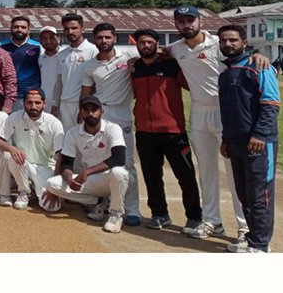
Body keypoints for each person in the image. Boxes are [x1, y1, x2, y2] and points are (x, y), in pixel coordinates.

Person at [165, 5, 269, 243]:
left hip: (226, 111)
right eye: (182, 21)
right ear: (176, 25)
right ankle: (213, 221)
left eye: (191, 20)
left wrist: (257, 54)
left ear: (200, 21)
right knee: (206, 170)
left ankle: (244, 226)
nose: (187, 25)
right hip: (199, 112)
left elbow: (241, 56)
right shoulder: (177, 48)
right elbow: (159, 50)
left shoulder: (217, 43)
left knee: (235, 172)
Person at [129, 29, 202, 231]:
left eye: (149, 42)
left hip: (173, 130)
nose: (145, 46)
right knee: (151, 176)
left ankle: (195, 216)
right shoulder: (135, 68)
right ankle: (160, 214)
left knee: (185, 176)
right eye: (142, 42)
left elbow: (193, 85)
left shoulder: (172, 65)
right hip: (144, 131)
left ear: (157, 44)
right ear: (137, 44)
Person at [218, 24, 280, 253]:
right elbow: (228, 111)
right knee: (244, 194)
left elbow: (271, 104)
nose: (228, 44)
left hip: (259, 143)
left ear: (244, 43)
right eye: (223, 40)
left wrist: (260, 135)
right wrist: (226, 139)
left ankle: (261, 246)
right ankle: (252, 239)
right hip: (235, 143)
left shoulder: (259, 67)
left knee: (259, 195)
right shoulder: (225, 74)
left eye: (233, 40)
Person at [80, 23, 141, 226]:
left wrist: (136, 64)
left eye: (107, 37)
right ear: (94, 40)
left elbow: (155, 50)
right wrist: (83, 116)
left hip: (122, 113)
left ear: (115, 38)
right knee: (100, 162)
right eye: (100, 37)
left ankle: (132, 209)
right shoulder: (89, 66)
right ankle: (105, 204)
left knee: (126, 163)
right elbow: (85, 94)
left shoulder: (128, 56)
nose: (104, 41)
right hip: (100, 114)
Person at [44, 95, 129, 233]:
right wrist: (69, 180)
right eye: (86, 110)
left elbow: (119, 159)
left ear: (101, 112)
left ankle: (115, 215)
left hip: (111, 179)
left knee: (119, 172)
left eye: (94, 110)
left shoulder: (113, 128)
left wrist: (87, 172)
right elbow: (66, 164)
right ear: (81, 113)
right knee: (51, 184)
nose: (90, 113)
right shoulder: (73, 133)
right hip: (92, 181)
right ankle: (97, 202)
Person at [0, 88, 64, 211]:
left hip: (46, 167)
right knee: (9, 155)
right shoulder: (15, 117)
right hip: (24, 163)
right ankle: (23, 192)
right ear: (23, 103)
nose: (33, 106)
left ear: (44, 104)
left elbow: (60, 155)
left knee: (52, 207)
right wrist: (12, 149)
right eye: (29, 102)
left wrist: (54, 185)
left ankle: (36, 188)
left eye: (37, 103)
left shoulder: (54, 123)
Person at [52, 13, 98, 134]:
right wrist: (55, 106)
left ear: (83, 29)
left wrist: (85, 108)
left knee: (85, 139)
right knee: (67, 140)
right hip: (64, 104)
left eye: (74, 28)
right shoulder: (62, 54)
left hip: (82, 104)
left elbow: (95, 82)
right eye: (67, 29)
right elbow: (59, 83)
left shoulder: (93, 51)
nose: (70, 32)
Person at [0, 16, 42, 111]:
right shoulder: (0, 47)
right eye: (16, 27)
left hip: (31, 96)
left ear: (29, 30)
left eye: (23, 27)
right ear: (10, 28)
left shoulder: (38, 47)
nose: (19, 30)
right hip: (6, 97)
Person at [37, 26, 62, 114]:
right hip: (45, 103)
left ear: (58, 39)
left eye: (52, 38)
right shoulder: (40, 58)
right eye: (44, 38)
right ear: (40, 41)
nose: (48, 41)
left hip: (62, 103)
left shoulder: (65, 56)